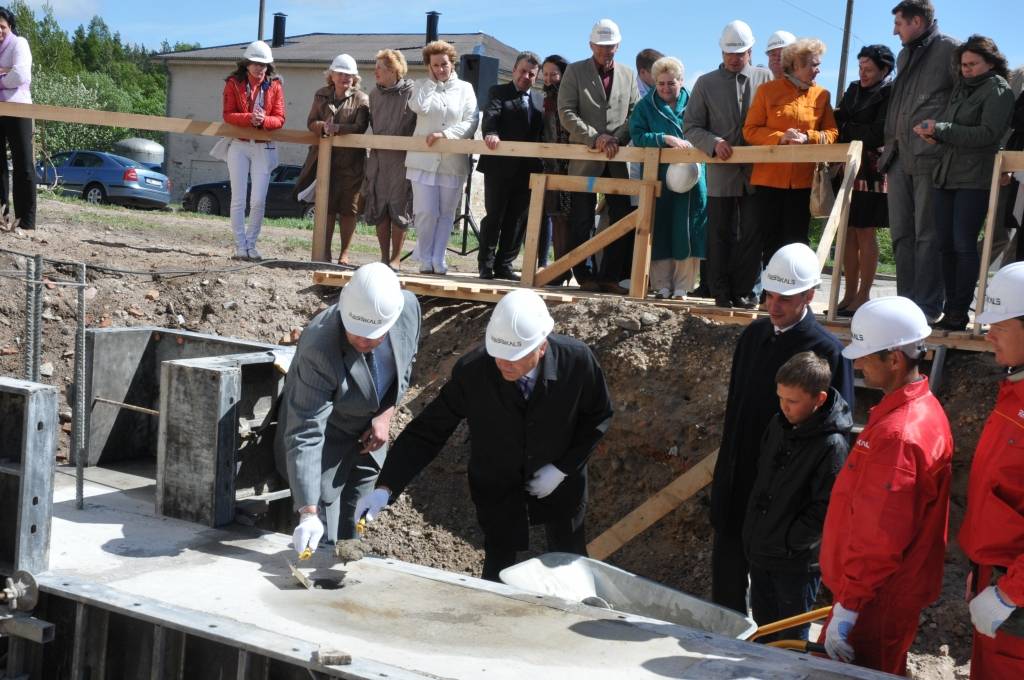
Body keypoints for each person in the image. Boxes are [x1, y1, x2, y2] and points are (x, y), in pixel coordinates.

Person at [356, 290, 613, 581]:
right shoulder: (474, 372)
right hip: (498, 483)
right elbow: (427, 432)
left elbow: (598, 417)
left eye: (514, 356)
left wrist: (563, 468)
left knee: (569, 561)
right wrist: (385, 488)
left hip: (563, 484)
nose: (504, 363)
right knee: (498, 567)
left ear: (541, 347)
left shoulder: (577, 362)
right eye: (499, 354)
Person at [711, 243, 854, 614]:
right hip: (741, 481)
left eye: (785, 299)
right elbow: (735, 415)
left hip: (785, 499)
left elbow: (836, 435)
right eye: (769, 295)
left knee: (777, 613)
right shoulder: (753, 337)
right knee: (726, 590)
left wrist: (803, 526)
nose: (773, 307)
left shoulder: (825, 351)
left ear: (809, 295)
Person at [819, 295, 953, 675]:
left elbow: (880, 535)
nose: (857, 364)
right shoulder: (920, 410)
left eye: (865, 356)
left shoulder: (899, 434)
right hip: (878, 596)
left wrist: (850, 607)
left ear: (894, 359)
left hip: (873, 601)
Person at [277, 263, 421, 554]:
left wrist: (384, 415)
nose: (363, 341)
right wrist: (307, 512)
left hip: (368, 441)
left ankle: (348, 561)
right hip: (324, 446)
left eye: (373, 336)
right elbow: (306, 430)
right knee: (321, 538)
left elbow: (405, 366)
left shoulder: (407, 308)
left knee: (353, 532)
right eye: (356, 333)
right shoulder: (319, 346)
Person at [741, 351, 851, 641]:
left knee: (790, 639)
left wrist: (789, 542)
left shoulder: (832, 445)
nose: (784, 407)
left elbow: (826, 507)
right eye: (780, 398)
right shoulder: (778, 425)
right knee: (764, 632)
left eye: (793, 401)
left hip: (795, 564)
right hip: (763, 553)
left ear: (820, 399)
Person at [913, 35, 1015, 331]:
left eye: (973, 64)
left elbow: (988, 134)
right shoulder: (961, 88)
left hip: (975, 177)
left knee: (963, 244)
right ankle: (950, 307)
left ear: (991, 62)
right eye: (963, 64)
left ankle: (960, 310)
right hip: (947, 174)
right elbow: (955, 130)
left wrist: (942, 128)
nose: (966, 69)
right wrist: (935, 134)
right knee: (945, 244)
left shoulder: (998, 90)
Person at [958, 263, 1024, 679]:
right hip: (997, 584)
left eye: (999, 324)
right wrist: (981, 571)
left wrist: (1009, 592)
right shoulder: (1013, 391)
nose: (988, 334)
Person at [683, 20, 772, 309]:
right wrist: (713, 142)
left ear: (751, 51)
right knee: (719, 232)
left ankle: (746, 293)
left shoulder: (766, 78)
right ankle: (719, 292)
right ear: (721, 52)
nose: (735, 58)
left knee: (752, 234)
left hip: (758, 173)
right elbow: (692, 126)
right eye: (729, 53)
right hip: (721, 173)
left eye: (741, 52)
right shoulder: (706, 83)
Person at [880, 0, 959, 324]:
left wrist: (943, 134)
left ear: (916, 21)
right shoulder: (904, 54)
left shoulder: (952, 50)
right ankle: (905, 304)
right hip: (899, 156)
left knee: (928, 235)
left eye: (898, 23)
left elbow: (965, 100)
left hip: (931, 157)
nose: (894, 30)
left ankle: (926, 307)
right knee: (901, 234)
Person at [558, 18, 639, 293]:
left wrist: (617, 138)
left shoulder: (628, 75)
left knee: (621, 218)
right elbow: (566, 112)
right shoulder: (574, 71)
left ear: (618, 45)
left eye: (611, 46)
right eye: (601, 46)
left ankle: (610, 276)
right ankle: (585, 275)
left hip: (617, 162)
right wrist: (596, 138)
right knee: (581, 220)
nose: (606, 50)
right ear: (591, 45)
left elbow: (634, 113)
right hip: (585, 161)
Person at [744, 38, 837, 265]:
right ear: (795, 65)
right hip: (768, 181)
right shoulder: (766, 91)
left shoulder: (822, 95)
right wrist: (780, 138)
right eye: (813, 65)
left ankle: (796, 298)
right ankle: (769, 298)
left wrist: (809, 138)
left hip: (803, 182)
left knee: (797, 243)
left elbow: (832, 132)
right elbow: (750, 130)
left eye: (818, 64)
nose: (818, 70)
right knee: (770, 241)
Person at [629, 56, 707, 299]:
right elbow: (638, 134)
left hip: (692, 174)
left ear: (681, 81)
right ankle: (661, 283)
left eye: (670, 83)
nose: (665, 88)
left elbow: (707, 129)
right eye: (660, 83)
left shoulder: (696, 101)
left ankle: (683, 285)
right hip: (659, 174)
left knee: (687, 226)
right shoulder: (645, 106)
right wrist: (663, 138)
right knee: (660, 225)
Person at [405, 40, 479, 275]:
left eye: (444, 64)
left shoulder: (466, 88)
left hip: (451, 161)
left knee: (446, 214)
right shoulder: (420, 85)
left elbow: (471, 120)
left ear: (452, 63)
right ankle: (425, 257)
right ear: (429, 66)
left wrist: (446, 135)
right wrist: (430, 83)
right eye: (435, 65)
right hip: (423, 161)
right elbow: (418, 107)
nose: (440, 69)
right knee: (426, 211)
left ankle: (439, 257)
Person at [834, 45, 896, 317]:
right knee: (846, 231)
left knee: (865, 230)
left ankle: (864, 294)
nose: (863, 73)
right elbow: (839, 122)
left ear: (884, 70)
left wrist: (850, 128)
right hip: (848, 164)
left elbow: (879, 132)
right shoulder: (852, 89)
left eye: (869, 69)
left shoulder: (889, 92)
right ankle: (848, 294)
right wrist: (851, 129)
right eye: (860, 67)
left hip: (872, 169)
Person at [294, 54, 369, 265]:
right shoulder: (321, 95)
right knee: (326, 208)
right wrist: (322, 127)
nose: (345, 77)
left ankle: (344, 253)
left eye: (349, 74)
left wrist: (339, 128)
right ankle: (323, 252)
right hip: (324, 161)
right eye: (341, 73)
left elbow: (360, 127)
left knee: (349, 209)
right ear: (332, 75)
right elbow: (311, 122)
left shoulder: (362, 99)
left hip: (352, 163)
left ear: (355, 77)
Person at [478, 52, 544, 281]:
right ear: (514, 69)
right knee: (494, 217)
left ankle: (504, 264)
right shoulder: (499, 92)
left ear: (536, 77)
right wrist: (491, 133)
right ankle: (485, 265)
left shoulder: (539, 100)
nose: (526, 76)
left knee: (517, 220)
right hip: (499, 166)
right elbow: (491, 117)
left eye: (531, 74)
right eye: (523, 71)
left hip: (527, 170)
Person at [222, 40, 285, 261]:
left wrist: (263, 121)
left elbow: (279, 118)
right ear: (247, 63)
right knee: (238, 198)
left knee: (258, 200)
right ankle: (240, 245)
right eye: (256, 63)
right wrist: (250, 118)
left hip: (263, 147)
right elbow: (228, 114)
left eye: (264, 64)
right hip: (239, 145)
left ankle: (251, 244)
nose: (260, 68)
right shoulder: (233, 83)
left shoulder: (275, 85)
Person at [362, 49, 417, 272]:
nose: (375, 71)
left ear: (394, 70)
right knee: (379, 206)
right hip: (378, 159)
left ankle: (396, 258)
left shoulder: (411, 92)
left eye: (380, 68)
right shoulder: (374, 95)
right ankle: (384, 257)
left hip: (401, 159)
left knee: (398, 207)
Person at [0, 6, 34, 230]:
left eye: (2, 26)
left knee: (23, 165)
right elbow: (11, 74)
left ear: (9, 26)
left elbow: (21, 74)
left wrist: (2, 77)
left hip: (19, 109)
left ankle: (26, 222)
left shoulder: (19, 43)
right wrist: (4, 70)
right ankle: (1, 216)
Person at [541, 54, 572, 273]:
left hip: (567, 164)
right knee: (556, 217)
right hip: (551, 163)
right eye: (546, 74)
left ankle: (567, 267)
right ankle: (559, 268)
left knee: (568, 218)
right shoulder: (546, 97)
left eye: (554, 73)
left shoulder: (567, 96)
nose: (549, 78)